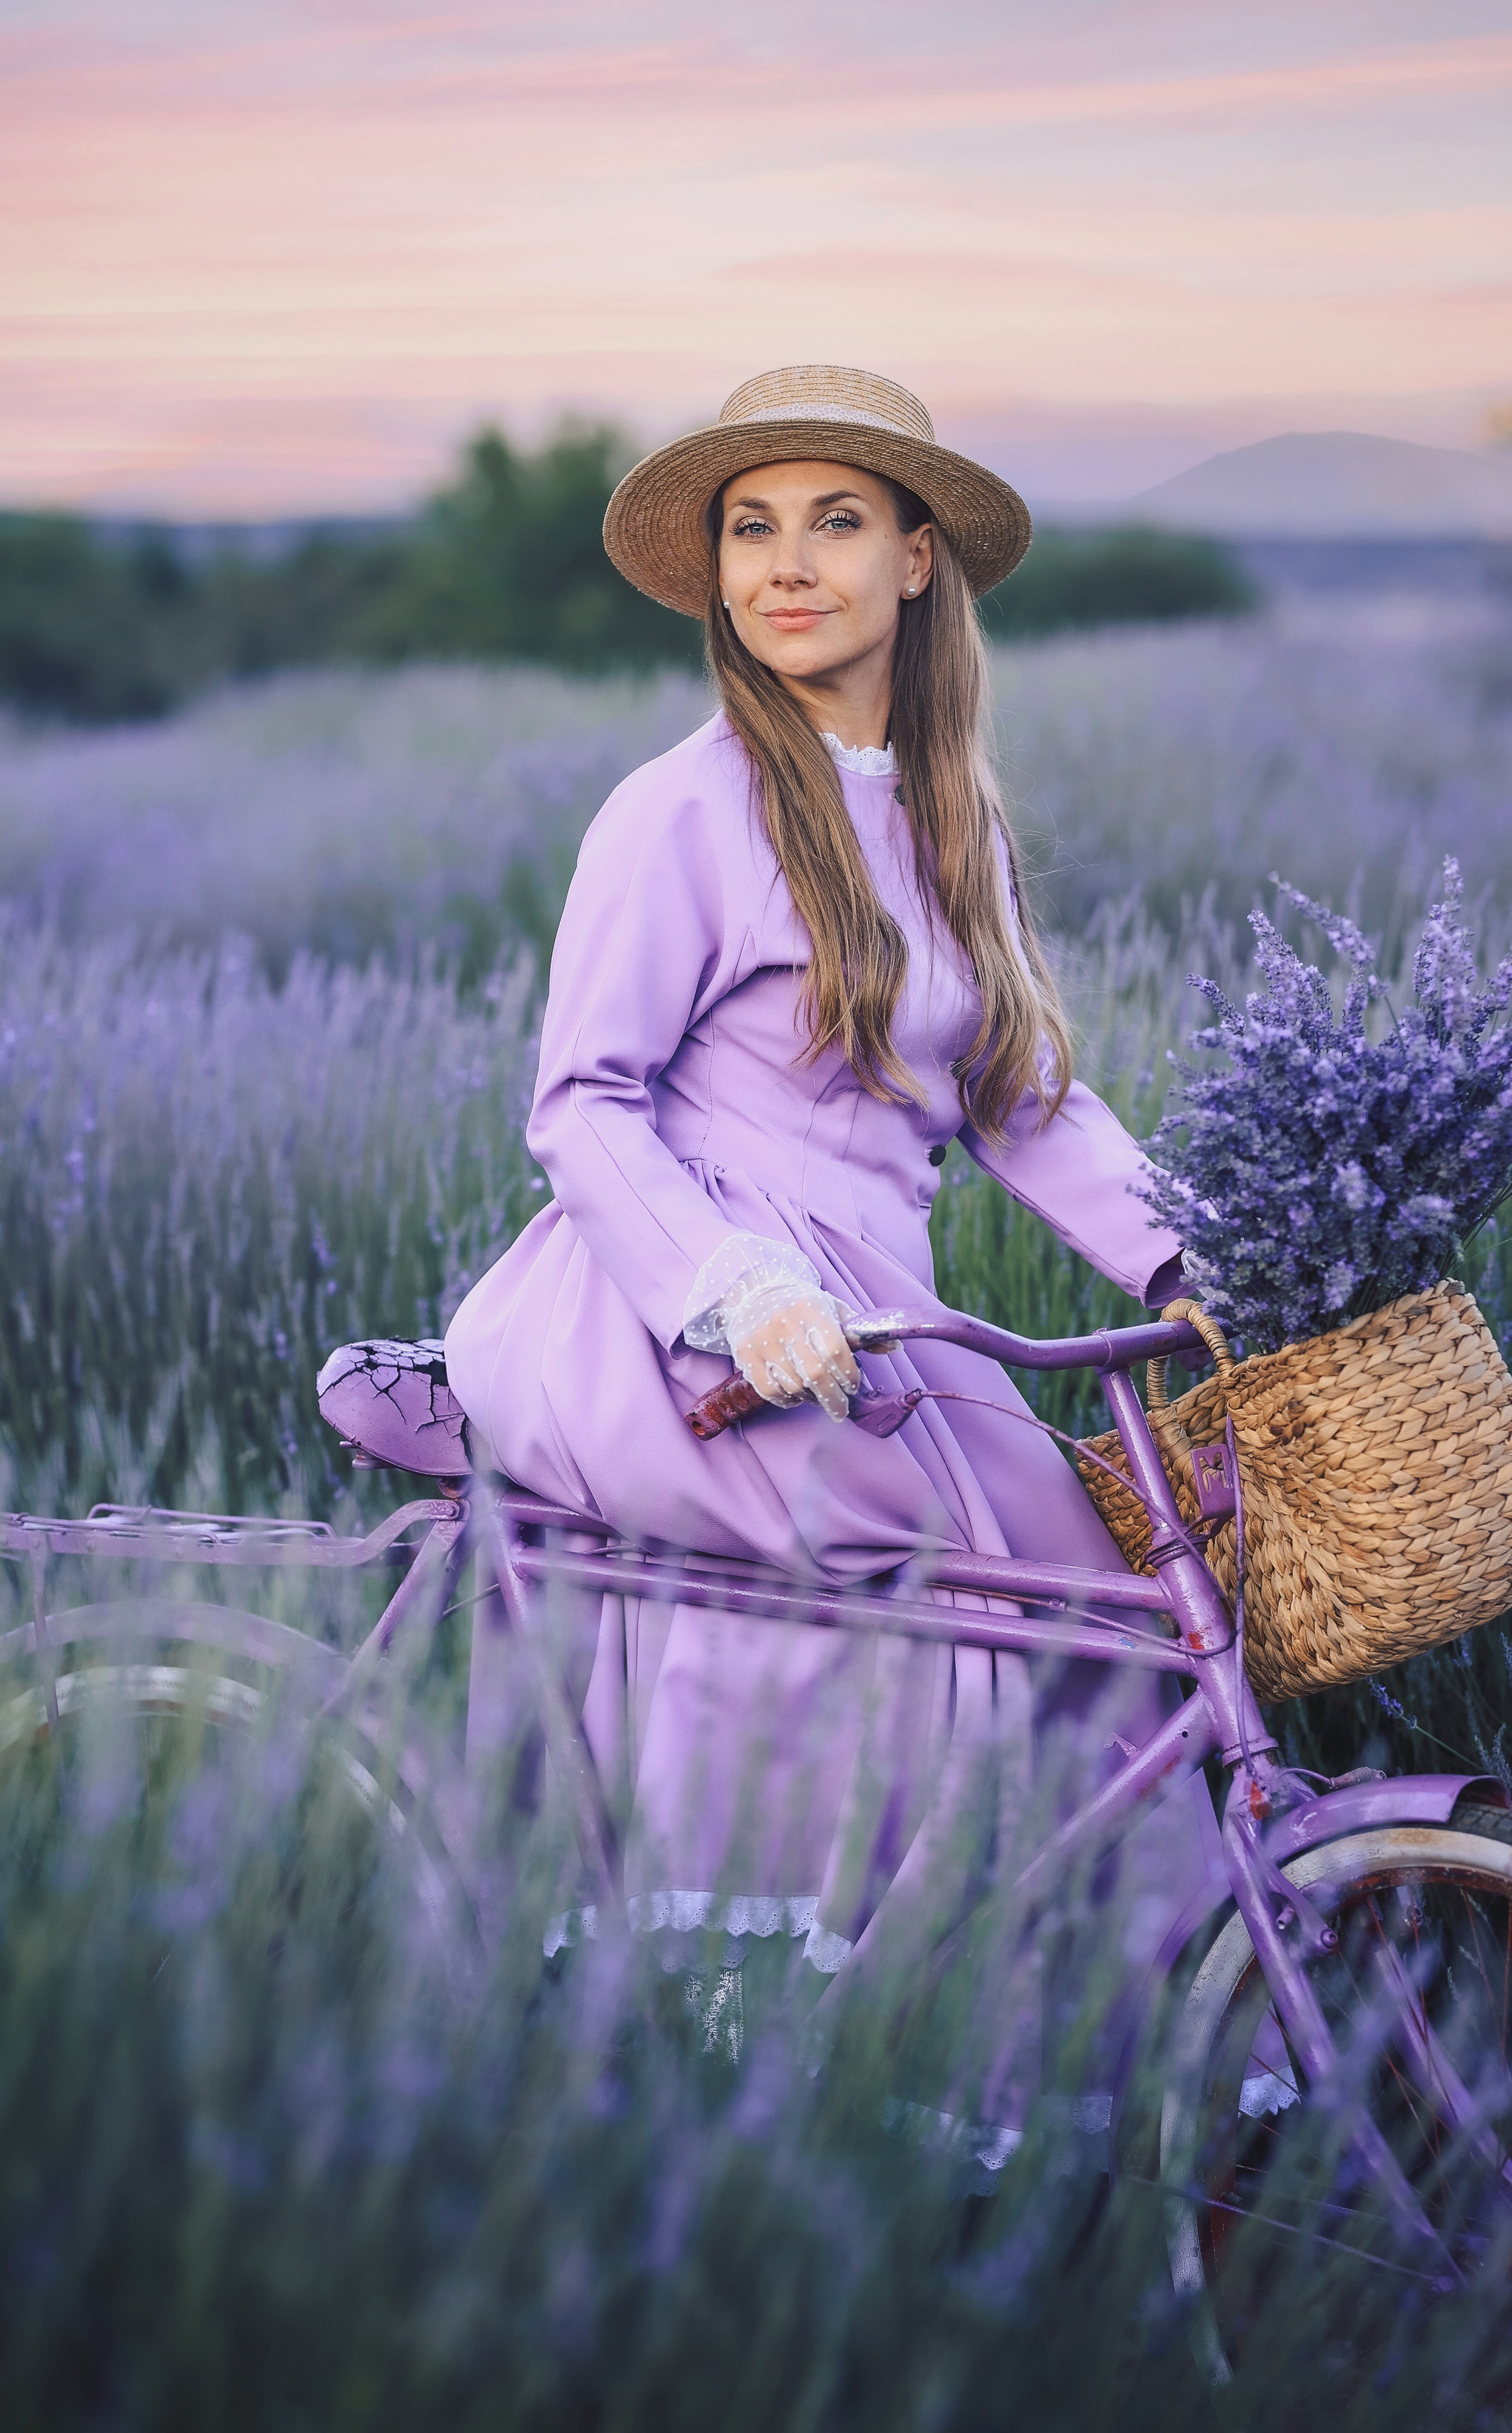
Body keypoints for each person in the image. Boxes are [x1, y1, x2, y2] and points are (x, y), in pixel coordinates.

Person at [445, 365, 1216, 2031]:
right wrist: (732, 1289)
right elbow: (580, 1106)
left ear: (916, 560)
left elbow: (1013, 1092)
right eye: (751, 528)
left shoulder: (946, 817)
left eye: (836, 521)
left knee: (1082, 1579)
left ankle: (1071, 2039)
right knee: (902, 1557)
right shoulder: (680, 809)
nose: (786, 564)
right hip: (681, 1305)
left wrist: (1191, 1256)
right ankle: (779, 2027)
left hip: (874, 1311)